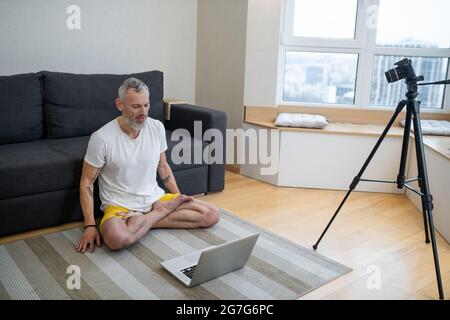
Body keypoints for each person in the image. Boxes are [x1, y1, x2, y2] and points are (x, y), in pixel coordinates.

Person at [76, 78, 220, 253]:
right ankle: (157, 215)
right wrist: (90, 225)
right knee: (116, 238)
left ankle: (142, 220)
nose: (143, 112)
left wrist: (177, 197)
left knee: (211, 214)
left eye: (146, 105)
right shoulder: (102, 138)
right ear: (120, 104)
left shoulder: (156, 127)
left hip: (154, 199)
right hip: (120, 206)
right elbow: (86, 182)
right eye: (136, 106)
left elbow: (163, 167)